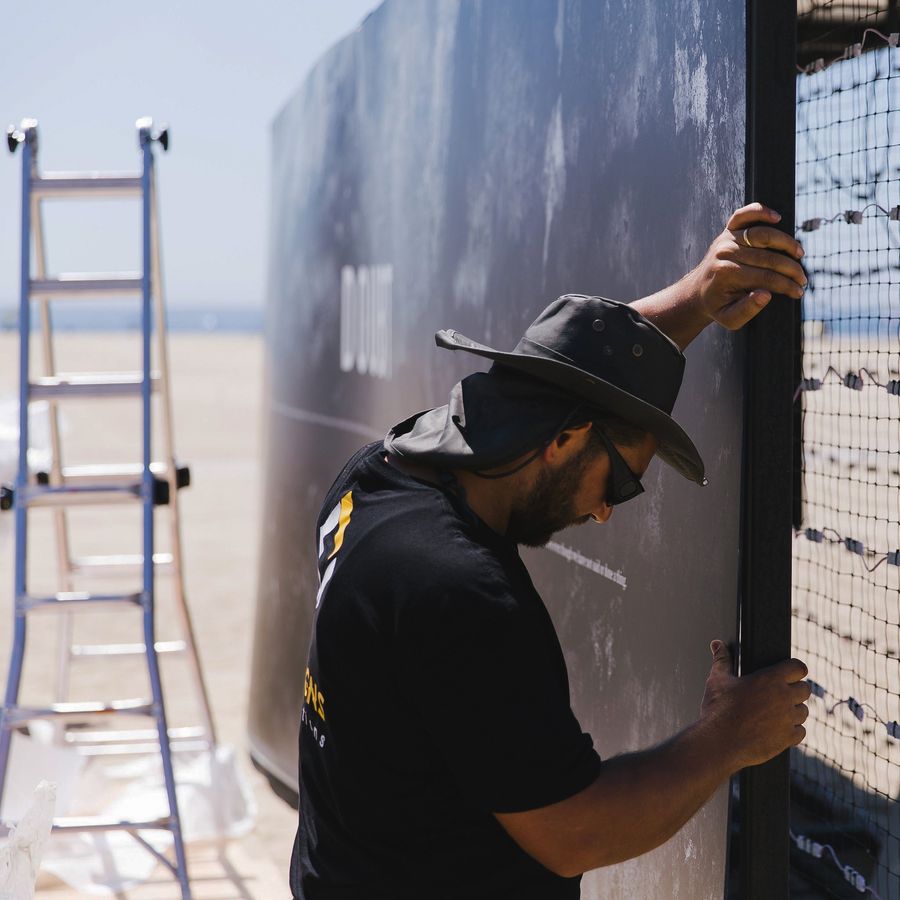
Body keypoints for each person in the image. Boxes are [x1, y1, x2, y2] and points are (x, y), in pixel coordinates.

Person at [290, 203, 812, 900]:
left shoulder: (380, 474)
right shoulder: (460, 593)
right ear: (565, 438)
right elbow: (576, 833)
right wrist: (730, 737)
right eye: (621, 482)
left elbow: (547, 378)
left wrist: (697, 297)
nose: (602, 511)